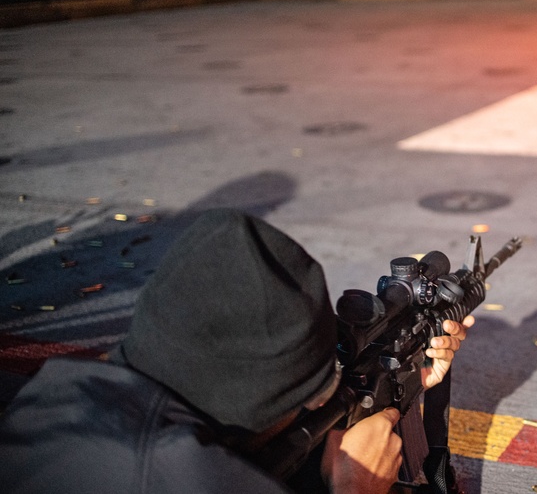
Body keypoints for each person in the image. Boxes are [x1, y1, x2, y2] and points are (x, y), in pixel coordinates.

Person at [0, 208, 474, 494]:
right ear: (257, 398)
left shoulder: (46, 396)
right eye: (309, 395)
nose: (316, 404)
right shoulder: (198, 480)